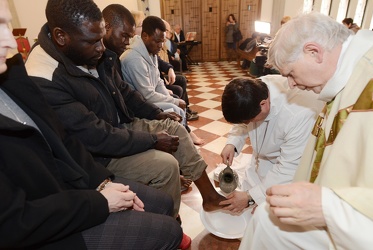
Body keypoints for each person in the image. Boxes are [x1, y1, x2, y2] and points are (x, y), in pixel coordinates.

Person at [0, 1, 184, 249]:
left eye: (8, 23)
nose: (12, 41)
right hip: (51, 223)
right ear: (61, 37)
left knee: (163, 203)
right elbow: (14, 223)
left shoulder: (12, 76)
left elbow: (63, 141)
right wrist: (98, 201)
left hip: (74, 182)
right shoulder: (43, 75)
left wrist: (101, 182)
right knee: (168, 223)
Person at [26, 0, 225, 221]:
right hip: (97, 155)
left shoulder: (89, 51)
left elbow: (125, 92)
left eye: (101, 38)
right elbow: (96, 136)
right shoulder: (45, 76)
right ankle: (168, 225)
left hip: (118, 127)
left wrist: (156, 113)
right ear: (61, 36)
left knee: (175, 127)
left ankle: (209, 196)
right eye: (93, 42)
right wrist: (152, 140)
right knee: (166, 166)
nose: (101, 48)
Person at [239, 12, 373, 249]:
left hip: (358, 225)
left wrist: (329, 208)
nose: (291, 84)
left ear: (314, 52)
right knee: (265, 219)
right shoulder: (340, 82)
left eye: (290, 73)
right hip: (334, 214)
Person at [219, 75, 323, 213]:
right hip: (259, 164)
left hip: (283, 172)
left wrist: (252, 197)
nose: (247, 124)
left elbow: (288, 167)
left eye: (249, 120)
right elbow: (243, 120)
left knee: (267, 217)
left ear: (264, 105)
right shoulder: (255, 88)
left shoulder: (299, 114)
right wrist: (232, 143)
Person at [120, 16, 204, 145]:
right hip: (139, 105)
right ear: (145, 35)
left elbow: (158, 81)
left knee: (177, 106)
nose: (161, 45)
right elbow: (147, 95)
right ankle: (183, 144)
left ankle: (184, 142)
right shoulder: (134, 59)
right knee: (174, 109)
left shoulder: (150, 51)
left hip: (148, 99)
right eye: (157, 41)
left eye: (163, 41)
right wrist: (174, 101)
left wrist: (173, 100)